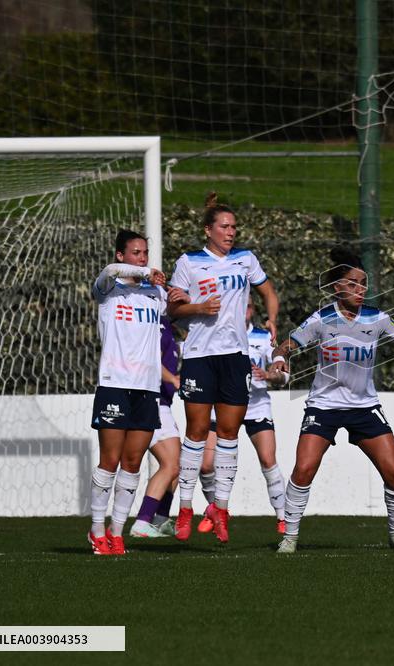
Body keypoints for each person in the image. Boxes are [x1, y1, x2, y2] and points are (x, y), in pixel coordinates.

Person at [271, 248, 394, 554]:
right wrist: (280, 357)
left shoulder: (378, 318)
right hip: (323, 406)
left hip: (364, 407)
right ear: (336, 288)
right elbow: (289, 344)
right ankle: (290, 537)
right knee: (304, 468)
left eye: (363, 283)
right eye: (353, 283)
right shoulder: (322, 319)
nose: (361, 289)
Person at [167, 192, 280, 544]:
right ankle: (185, 507)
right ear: (208, 230)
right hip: (200, 355)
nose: (231, 232)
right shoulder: (188, 262)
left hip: (235, 357)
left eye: (234, 227)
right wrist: (199, 307)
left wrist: (273, 318)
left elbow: (268, 292)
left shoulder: (246, 259)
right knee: (197, 431)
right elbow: (174, 310)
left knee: (229, 434)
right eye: (224, 227)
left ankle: (220, 508)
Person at [88, 229, 175, 555]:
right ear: (122, 256)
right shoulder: (108, 290)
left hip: (148, 388)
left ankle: (116, 532)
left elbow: (177, 309)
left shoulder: (156, 294)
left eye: (145, 253)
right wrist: (143, 272)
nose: (142, 258)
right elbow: (109, 271)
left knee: (133, 462)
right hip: (114, 384)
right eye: (135, 253)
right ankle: (97, 530)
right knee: (109, 460)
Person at [196, 298, 290, 535]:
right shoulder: (218, 336)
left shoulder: (263, 337)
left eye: (249, 306)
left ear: (253, 311)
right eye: (241, 305)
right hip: (223, 407)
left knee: (268, 460)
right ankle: (216, 510)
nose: (244, 310)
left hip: (256, 408)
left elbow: (285, 377)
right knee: (206, 466)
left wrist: (270, 376)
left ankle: (283, 518)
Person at [129, 315, 181, 538]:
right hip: (151, 402)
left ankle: (160, 519)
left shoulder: (169, 326)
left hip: (162, 404)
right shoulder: (156, 323)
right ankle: (142, 522)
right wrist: (174, 379)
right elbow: (150, 361)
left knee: (177, 465)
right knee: (169, 464)